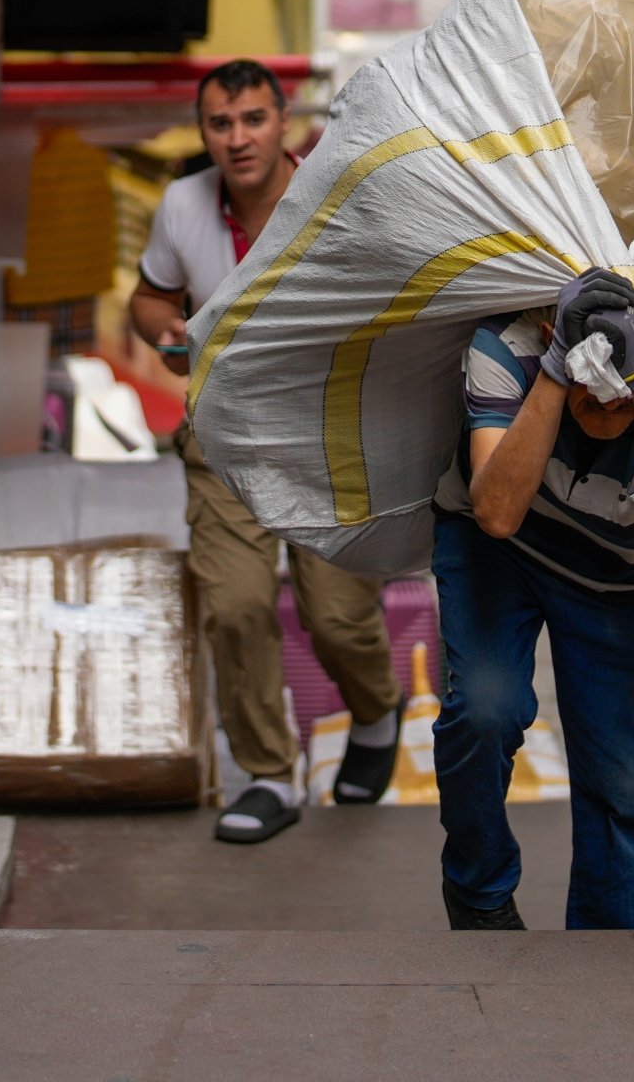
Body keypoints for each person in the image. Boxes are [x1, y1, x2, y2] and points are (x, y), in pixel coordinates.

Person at [132, 59, 400, 844]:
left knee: (337, 618)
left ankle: (378, 712)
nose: (238, 137)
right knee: (237, 605)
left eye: (253, 119)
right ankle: (267, 777)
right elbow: (150, 295)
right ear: (205, 132)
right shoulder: (183, 205)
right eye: (221, 123)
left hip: (326, 430)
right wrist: (164, 330)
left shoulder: (333, 189)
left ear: (282, 123)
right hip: (220, 429)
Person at [429, 268, 634, 931]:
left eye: (618, 403)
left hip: (626, 573)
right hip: (502, 549)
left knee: (622, 785)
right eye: (590, 401)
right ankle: (478, 896)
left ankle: (608, 962)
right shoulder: (509, 349)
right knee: (484, 709)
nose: (603, 416)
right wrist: (556, 372)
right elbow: (499, 514)